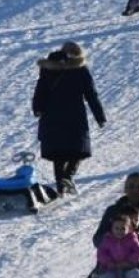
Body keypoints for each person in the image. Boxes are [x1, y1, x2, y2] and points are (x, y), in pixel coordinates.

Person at [31, 42, 106, 196]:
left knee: (58, 153)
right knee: (78, 150)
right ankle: (68, 176)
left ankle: (61, 185)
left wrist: (37, 109)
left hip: (51, 117)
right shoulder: (80, 70)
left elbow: (40, 90)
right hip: (74, 117)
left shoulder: (48, 69)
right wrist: (100, 117)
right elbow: (91, 94)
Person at [93, 206, 139, 278]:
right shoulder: (108, 239)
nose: (119, 231)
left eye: (123, 229)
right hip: (112, 270)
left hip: (128, 269)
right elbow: (101, 253)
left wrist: (130, 262)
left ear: (129, 229)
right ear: (112, 228)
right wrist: (108, 262)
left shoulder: (132, 238)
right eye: (117, 228)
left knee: (137, 274)